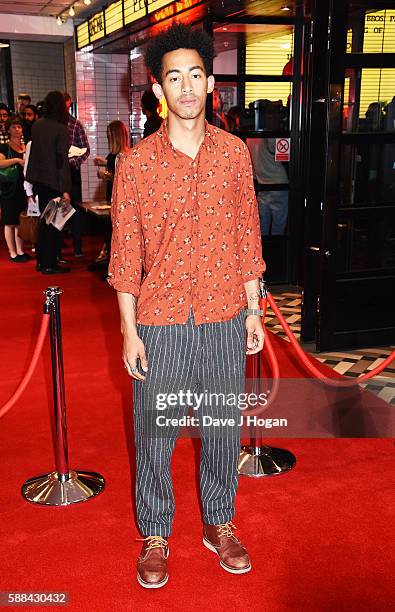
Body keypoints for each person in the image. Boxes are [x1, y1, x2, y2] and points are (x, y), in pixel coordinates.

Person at [108, 23, 265, 589]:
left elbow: (248, 234)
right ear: (158, 89)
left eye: (195, 74)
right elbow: (126, 255)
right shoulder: (137, 165)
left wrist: (253, 308)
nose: (186, 86)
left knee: (222, 429)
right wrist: (129, 332)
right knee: (156, 433)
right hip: (162, 320)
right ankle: (155, 535)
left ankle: (220, 524)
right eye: (173, 77)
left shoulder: (233, 156)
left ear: (210, 82)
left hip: (225, 312)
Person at [26, 90, 71, 274]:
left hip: (39, 180)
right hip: (54, 182)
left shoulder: (37, 125)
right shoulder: (60, 129)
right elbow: (62, 162)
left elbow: (35, 155)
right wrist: (65, 189)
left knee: (44, 223)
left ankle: (42, 261)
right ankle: (49, 264)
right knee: (55, 224)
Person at [92, 120, 130, 272]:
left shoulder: (123, 155)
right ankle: (109, 263)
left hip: (118, 198)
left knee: (113, 234)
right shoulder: (116, 155)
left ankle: (113, 267)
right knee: (109, 232)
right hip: (112, 197)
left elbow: (123, 180)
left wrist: (107, 175)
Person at [0, 116, 31, 262]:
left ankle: (20, 250)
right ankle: (12, 252)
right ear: (8, 129)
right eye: (14, 127)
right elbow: (0, 163)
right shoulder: (4, 146)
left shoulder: (27, 146)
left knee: (20, 220)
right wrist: (18, 160)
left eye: (19, 126)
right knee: (9, 220)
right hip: (9, 188)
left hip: (24, 187)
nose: (17, 129)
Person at [64, 92, 90, 257]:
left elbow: (85, 150)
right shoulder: (51, 124)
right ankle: (57, 247)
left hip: (72, 172)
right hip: (56, 174)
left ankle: (78, 246)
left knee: (75, 210)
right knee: (58, 208)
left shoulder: (75, 124)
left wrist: (72, 162)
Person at [247, 138, 289, 235]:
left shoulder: (250, 139)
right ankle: (276, 249)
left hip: (263, 185)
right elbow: (285, 158)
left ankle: (265, 249)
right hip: (279, 185)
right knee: (279, 226)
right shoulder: (272, 138)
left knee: (262, 227)